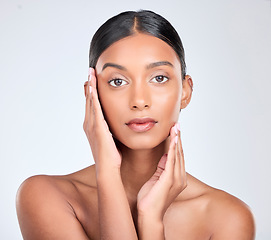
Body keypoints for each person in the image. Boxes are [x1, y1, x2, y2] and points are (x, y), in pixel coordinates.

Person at [16, 10, 255, 240]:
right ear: (92, 94)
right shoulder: (47, 196)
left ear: (186, 91)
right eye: (118, 81)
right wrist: (107, 174)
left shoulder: (228, 218)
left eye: (159, 78)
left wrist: (152, 220)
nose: (139, 101)